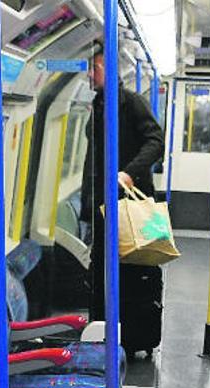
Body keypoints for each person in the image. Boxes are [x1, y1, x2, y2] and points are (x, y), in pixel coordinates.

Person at [81, 50, 165, 340]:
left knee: (133, 271)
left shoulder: (131, 103)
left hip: (130, 202)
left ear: (109, 68)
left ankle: (134, 336)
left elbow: (156, 142)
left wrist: (129, 173)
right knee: (101, 272)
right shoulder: (98, 104)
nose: (90, 75)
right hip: (103, 203)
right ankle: (102, 333)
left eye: (95, 68)